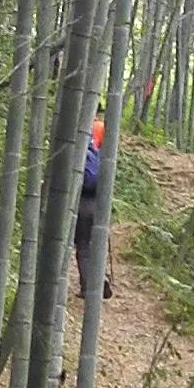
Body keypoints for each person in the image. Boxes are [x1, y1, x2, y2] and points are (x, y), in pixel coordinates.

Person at [73, 103, 111, 304]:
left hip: (81, 201)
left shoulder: (78, 138)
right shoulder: (101, 128)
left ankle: (89, 286)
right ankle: (99, 278)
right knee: (93, 243)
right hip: (98, 199)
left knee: (83, 246)